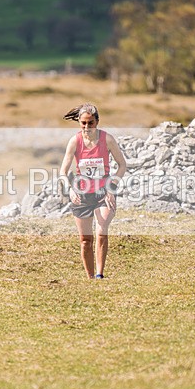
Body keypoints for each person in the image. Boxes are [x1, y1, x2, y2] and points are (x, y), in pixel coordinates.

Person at [59, 103, 126, 279]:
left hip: (103, 192)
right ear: (79, 123)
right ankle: (89, 278)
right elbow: (63, 172)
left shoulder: (107, 139)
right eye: (83, 123)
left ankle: (99, 275)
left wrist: (112, 187)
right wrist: (70, 190)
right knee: (85, 241)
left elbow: (122, 165)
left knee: (102, 231)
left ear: (97, 122)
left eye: (91, 123)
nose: (87, 127)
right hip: (81, 194)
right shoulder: (75, 141)